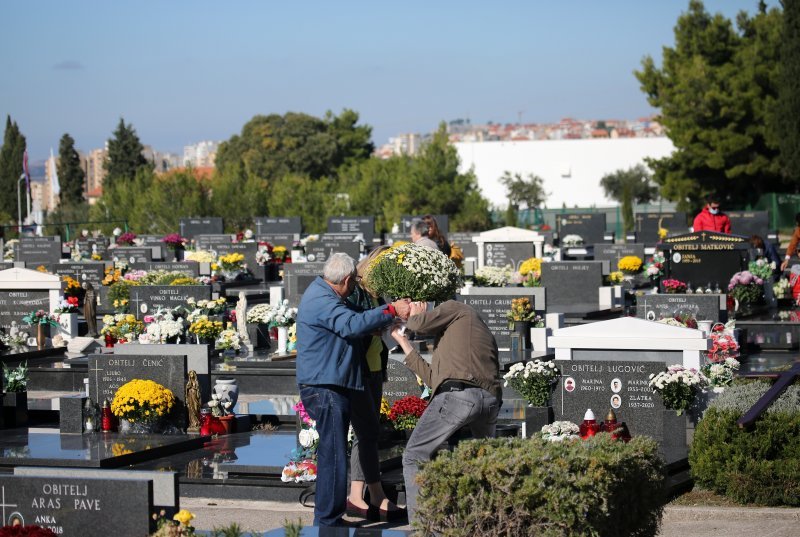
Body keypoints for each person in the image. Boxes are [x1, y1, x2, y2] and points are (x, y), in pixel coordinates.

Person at [296, 253, 410, 526]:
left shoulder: (324, 292)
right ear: (347, 280)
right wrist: (391, 310)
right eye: (354, 282)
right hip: (325, 388)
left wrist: (376, 321)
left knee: (335, 451)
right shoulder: (322, 299)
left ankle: (329, 517)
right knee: (333, 455)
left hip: (333, 384)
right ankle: (327, 520)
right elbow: (348, 324)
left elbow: (352, 317)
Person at [390, 300, 502, 525]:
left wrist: (415, 314)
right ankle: (490, 521)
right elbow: (434, 380)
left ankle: (422, 528)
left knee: (414, 455)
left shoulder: (456, 307)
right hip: (488, 400)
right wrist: (403, 341)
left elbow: (420, 324)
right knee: (485, 462)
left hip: (459, 397)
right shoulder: (463, 334)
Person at [344, 246, 404, 521]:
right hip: (362, 367)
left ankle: (360, 496)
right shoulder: (357, 290)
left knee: (368, 433)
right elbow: (354, 325)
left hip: (375, 365)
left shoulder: (376, 292)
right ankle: (368, 496)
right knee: (365, 432)